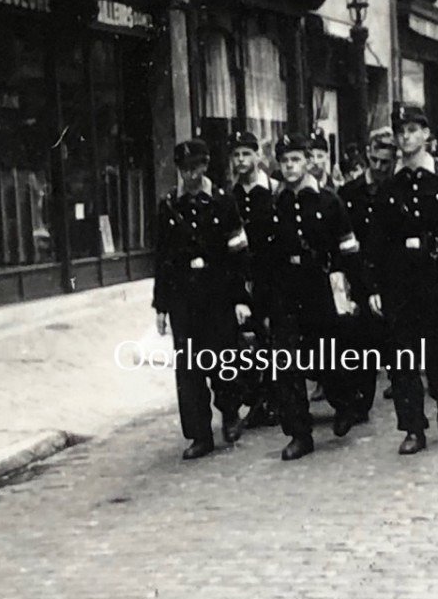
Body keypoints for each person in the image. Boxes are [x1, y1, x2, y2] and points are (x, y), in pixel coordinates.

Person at [366, 104, 438, 455]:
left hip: (434, 272)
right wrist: (374, 288)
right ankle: (412, 426)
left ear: (426, 134)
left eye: (413, 130)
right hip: (399, 279)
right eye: (401, 132)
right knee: (402, 357)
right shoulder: (389, 187)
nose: (406, 137)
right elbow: (376, 243)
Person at [152, 139, 251, 460]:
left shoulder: (223, 202)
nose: (190, 175)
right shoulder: (168, 205)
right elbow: (162, 259)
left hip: (219, 296)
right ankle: (199, 434)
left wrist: (240, 298)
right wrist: (161, 306)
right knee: (189, 369)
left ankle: (230, 411)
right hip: (184, 299)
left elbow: (238, 253)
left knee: (224, 362)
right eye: (184, 169)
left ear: (205, 166)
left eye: (195, 168)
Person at [266, 133, 362, 461]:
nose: (290, 167)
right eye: (284, 161)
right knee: (287, 363)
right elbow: (264, 255)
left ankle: (345, 402)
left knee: (328, 358)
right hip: (285, 291)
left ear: (308, 161)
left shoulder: (328, 201)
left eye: (295, 160)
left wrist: (355, 290)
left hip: (320, 287)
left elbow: (348, 248)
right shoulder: (274, 203)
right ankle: (299, 434)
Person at [338, 128, 396, 421]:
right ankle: (359, 403)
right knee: (360, 341)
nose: (379, 167)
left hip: (391, 276)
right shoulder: (349, 193)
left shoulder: (396, 190)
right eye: (374, 159)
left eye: (386, 162)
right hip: (359, 275)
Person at [229, 130, 278, 430]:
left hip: (270, 274)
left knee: (271, 337)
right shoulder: (229, 196)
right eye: (236, 155)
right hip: (240, 278)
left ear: (258, 156)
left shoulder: (273, 190)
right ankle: (256, 397)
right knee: (244, 341)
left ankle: (273, 401)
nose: (241, 160)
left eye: (247, 154)